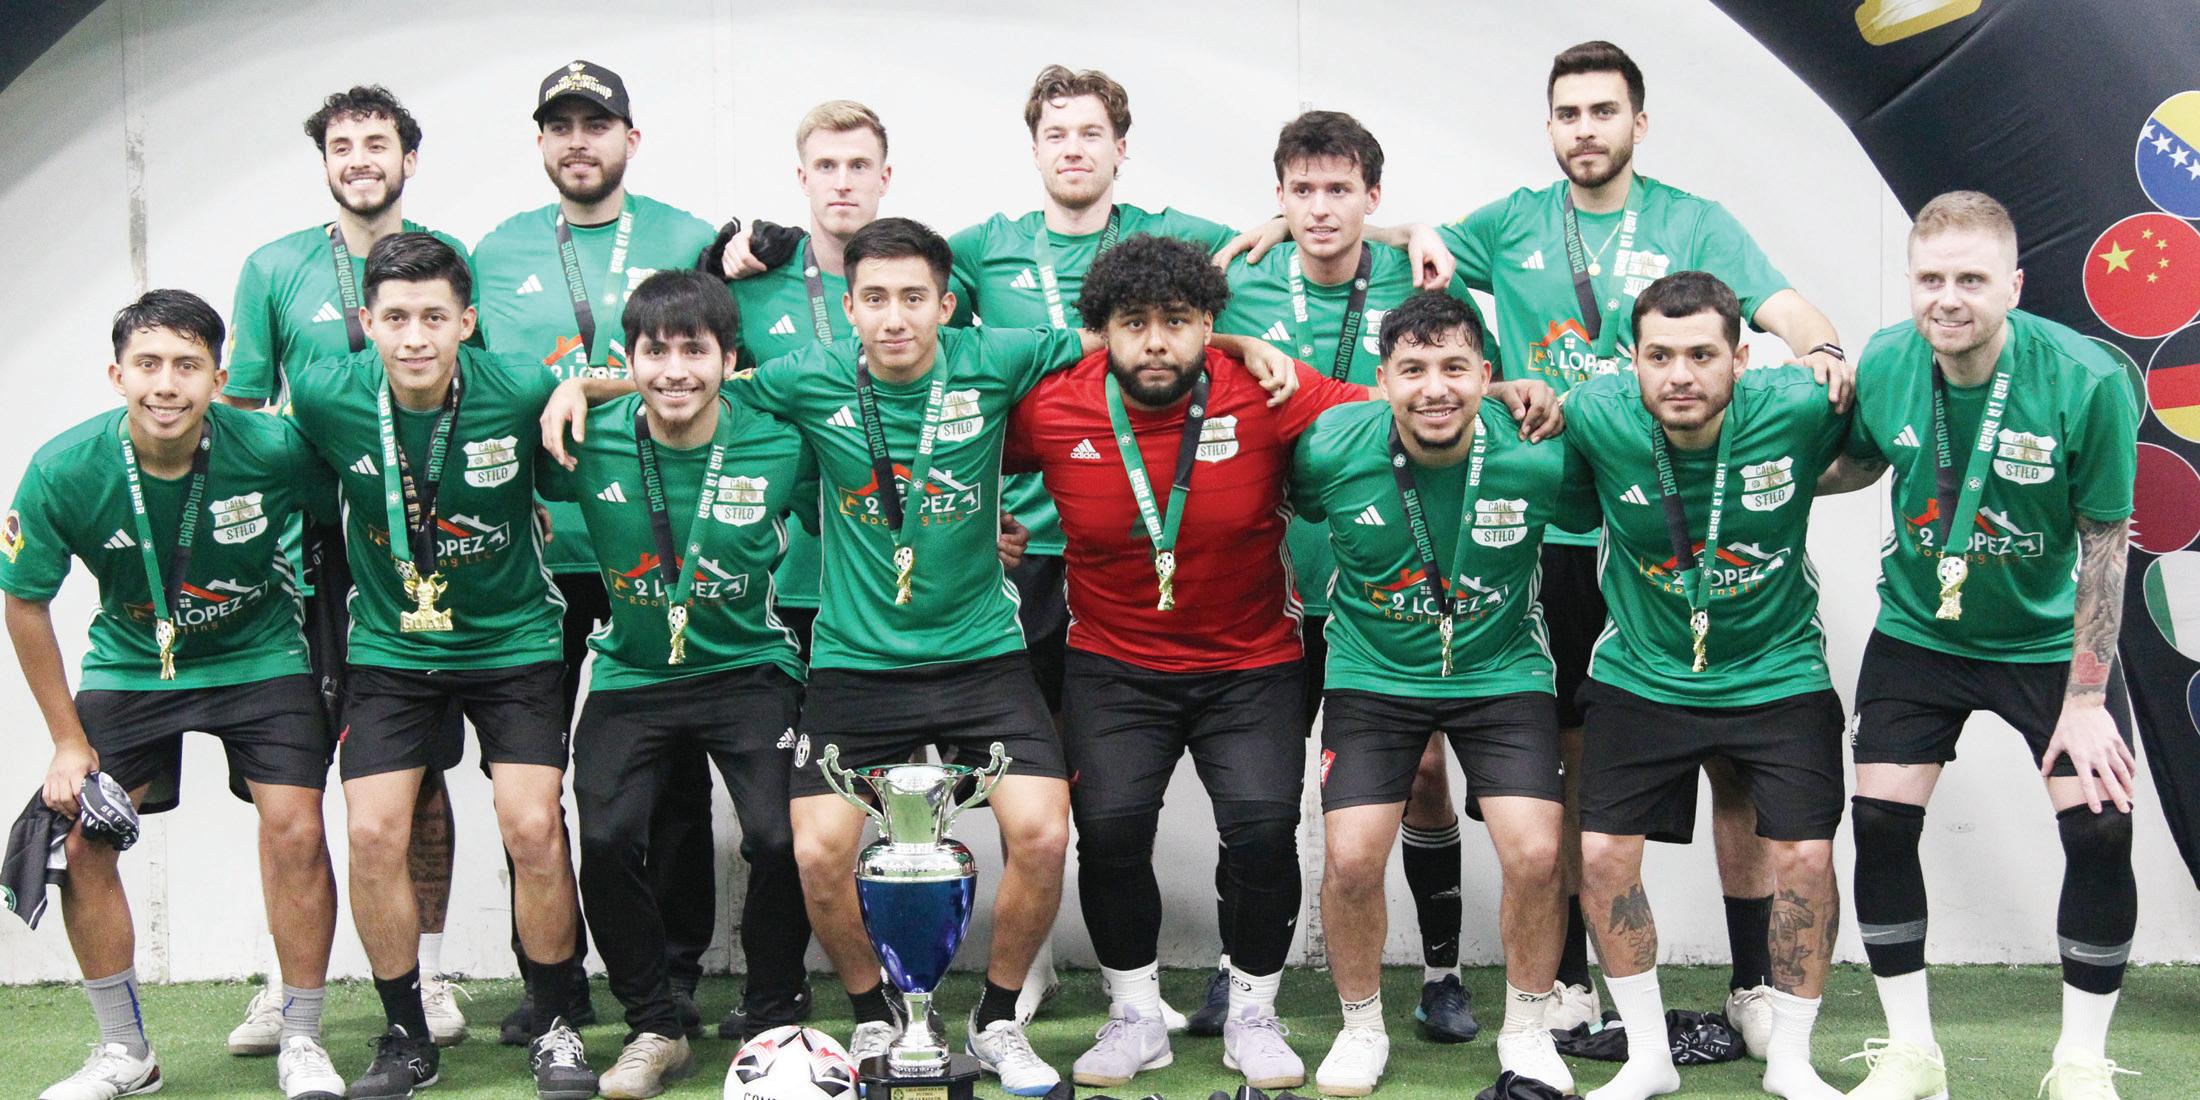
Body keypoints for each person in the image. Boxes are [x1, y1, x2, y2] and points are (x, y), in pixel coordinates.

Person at [1399, 40, 1851, 1042]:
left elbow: (1778, 306)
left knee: (1738, 765)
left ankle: (1753, 983)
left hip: (1681, 529)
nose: (1585, 130)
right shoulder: (1514, 220)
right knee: (1571, 760)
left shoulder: (1695, 220)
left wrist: (1821, 348)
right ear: (1549, 125)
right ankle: (1568, 978)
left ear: (1638, 123)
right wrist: (1379, 226)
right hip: (1562, 528)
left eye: (1603, 111)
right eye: (1568, 113)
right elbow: (1402, 243)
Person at [1005, 233, 1370, 1091]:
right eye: (1134, 323)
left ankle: (1252, 1014)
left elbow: (1398, 402)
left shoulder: (1265, 387)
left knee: (1263, 833)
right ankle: (1135, 1015)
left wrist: (1510, 391)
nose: (1157, 342)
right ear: (1102, 330)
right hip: (1112, 663)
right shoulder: (1054, 405)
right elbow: (954, 449)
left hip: (1252, 663)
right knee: (1110, 833)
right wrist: (970, 524)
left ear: (1209, 323)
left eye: (1177, 320)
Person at [1820, 192, 2140, 1100]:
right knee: (1879, 823)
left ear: (2014, 286)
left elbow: (2105, 542)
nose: (1948, 299)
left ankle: (2080, 1063)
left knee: (2102, 827)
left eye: (1971, 279)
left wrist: (2086, 698)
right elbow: (1861, 460)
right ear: (1909, 281)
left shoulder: (2084, 379)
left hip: (2047, 642)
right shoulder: (1889, 360)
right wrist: (1765, 476)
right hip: (1920, 632)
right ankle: (1912, 1055)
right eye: (1930, 279)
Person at [289, 232, 617, 1100]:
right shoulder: (324, 394)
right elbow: (268, 458)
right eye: (395, 318)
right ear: (368, 322)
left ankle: (555, 1025)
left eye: (435, 317)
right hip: (391, 648)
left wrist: (584, 384)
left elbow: (644, 387)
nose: (415, 337)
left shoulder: (517, 386)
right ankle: (406, 1035)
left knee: (533, 826)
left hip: (513, 642)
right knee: (372, 833)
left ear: (466, 322)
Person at [7, 291, 345, 1100]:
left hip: (260, 656)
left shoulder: (274, 446)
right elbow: (23, 600)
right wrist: (67, 742)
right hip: (132, 665)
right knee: (81, 844)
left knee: (297, 830)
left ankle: (301, 1037)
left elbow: (344, 521)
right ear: (117, 375)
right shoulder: (64, 468)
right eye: (149, 364)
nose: (167, 384)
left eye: (188, 366)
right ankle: (125, 1051)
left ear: (219, 380)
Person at [1211, 109, 1497, 1044]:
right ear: (1278, 198)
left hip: (1396, 585)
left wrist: (1411, 230)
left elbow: (1474, 396)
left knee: (1423, 775)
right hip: (1271, 584)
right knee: (1253, 786)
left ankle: (1443, 974)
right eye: (1302, 191)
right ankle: (1238, 968)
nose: (1321, 208)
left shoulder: (1423, 274)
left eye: (1341, 190)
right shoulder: (1240, 278)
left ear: (1374, 196)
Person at [471, 58, 726, 1045]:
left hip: (658, 545)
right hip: (539, 556)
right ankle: (554, 982)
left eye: (597, 123)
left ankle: (673, 970)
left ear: (631, 137)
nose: (579, 141)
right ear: (541, 141)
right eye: (561, 126)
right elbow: (482, 394)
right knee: (530, 780)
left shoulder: (687, 238)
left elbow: (710, 370)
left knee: (671, 772)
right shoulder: (496, 252)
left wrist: (588, 385)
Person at [222, 85, 470, 1050]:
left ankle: (432, 976)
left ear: (410, 158)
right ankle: (285, 986)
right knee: (286, 783)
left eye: (377, 142)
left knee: (423, 777)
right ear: (324, 161)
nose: (360, 158)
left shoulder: (445, 258)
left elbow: (474, 398)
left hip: (418, 561)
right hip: (304, 558)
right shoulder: (273, 266)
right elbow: (243, 413)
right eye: (341, 144)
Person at [1561, 271, 1849, 1100]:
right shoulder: (1596, 412)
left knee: (1807, 856)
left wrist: (1829, 354)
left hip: (1777, 668)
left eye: (1700, 355)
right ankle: (1649, 1056)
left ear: (1740, 359)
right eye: (1659, 356)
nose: (1679, 375)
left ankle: (1790, 1057)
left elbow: (1876, 448)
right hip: (1642, 671)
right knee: (1603, 855)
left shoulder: (1799, 404)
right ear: (1632, 360)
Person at [538, 270, 817, 1098]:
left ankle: (773, 1015)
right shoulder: (587, 434)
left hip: (749, 669)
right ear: (628, 360)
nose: (673, 371)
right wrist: (573, 388)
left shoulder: (779, 441)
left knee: (781, 837)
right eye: (654, 352)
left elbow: (859, 498)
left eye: (694, 351)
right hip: (633, 673)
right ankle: (655, 1025)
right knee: (606, 840)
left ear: (729, 360)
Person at [1289, 291, 1575, 1097]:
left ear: (1487, 374)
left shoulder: (1540, 451)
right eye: (1413, 370)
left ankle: (1527, 1030)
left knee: (1537, 853)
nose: (1435, 388)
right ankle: (1360, 1028)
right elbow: (1289, 502)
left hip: (1503, 671)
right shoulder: (1330, 446)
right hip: (1372, 673)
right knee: (1351, 858)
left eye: (1455, 367)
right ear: (1382, 380)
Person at [717, 98, 891, 665]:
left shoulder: (921, 289)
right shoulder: (750, 286)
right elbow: (696, 389)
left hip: (896, 567)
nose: (842, 182)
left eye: (859, 165)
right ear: (802, 178)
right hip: (787, 574)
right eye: (826, 166)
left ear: (884, 177)